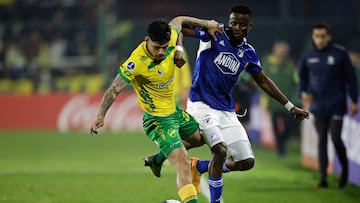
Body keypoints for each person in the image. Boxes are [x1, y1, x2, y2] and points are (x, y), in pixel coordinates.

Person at [145, 4, 309, 203]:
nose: (237, 28)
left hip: (226, 111)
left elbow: (263, 81)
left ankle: (198, 166)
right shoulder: (214, 33)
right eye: (234, 23)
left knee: (246, 161)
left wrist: (290, 106)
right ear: (229, 22)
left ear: (250, 26)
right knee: (220, 149)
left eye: (242, 24)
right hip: (201, 104)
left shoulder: (248, 52)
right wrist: (179, 48)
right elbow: (176, 28)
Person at [90, 16, 223, 203]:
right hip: (157, 120)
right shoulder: (136, 63)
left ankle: (157, 159)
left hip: (174, 111)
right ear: (147, 40)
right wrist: (101, 115)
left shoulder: (171, 39)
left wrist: (180, 46)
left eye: (164, 47)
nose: (161, 52)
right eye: (156, 47)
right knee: (182, 162)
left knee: (198, 138)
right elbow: (113, 89)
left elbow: (179, 20)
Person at [299, 24, 358, 189]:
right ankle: (323, 178)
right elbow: (302, 78)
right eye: (316, 36)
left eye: (322, 36)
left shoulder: (340, 54)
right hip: (318, 105)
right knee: (322, 141)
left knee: (336, 138)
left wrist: (353, 100)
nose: (319, 39)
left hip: (337, 103)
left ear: (329, 37)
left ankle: (345, 172)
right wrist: (303, 94)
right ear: (313, 37)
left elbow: (351, 78)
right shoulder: (308, 55)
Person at [261, 40, 300, 159]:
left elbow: (296, 81)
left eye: (284, 51)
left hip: (288, 102)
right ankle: (281, 149)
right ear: (275, 51)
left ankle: (282, 141)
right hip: (273, 101)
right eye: (280, 51)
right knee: (275, 126)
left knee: (290, 124)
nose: (282, 53)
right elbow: (260, 80)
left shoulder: (290, 66)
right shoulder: (268, 64)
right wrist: (263, 96)